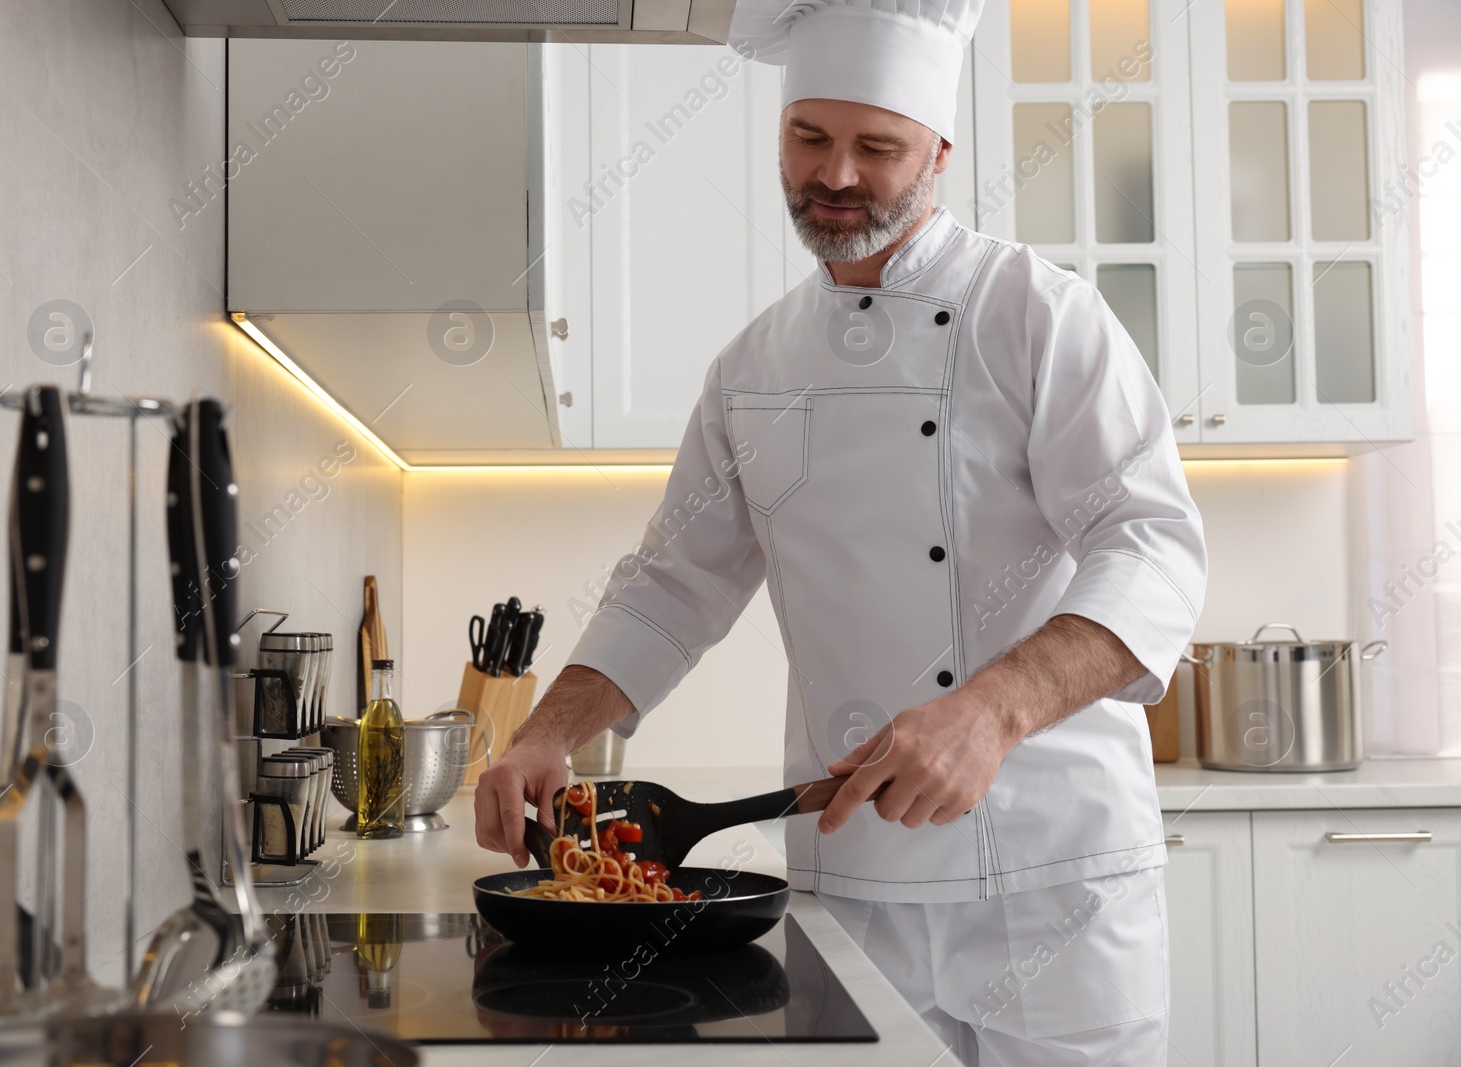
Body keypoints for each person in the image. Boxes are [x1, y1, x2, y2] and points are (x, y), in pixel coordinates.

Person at [476, 1, 1206, 1062]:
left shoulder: (1040, 317)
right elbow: (669, 585)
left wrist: (989, 713)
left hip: (1057, 884)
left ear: (938, 153)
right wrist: (548, 731)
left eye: (877, 148)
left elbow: (1152, 544)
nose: (837, 177)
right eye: (809, 138)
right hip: (854, 872)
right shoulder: (751, 368)